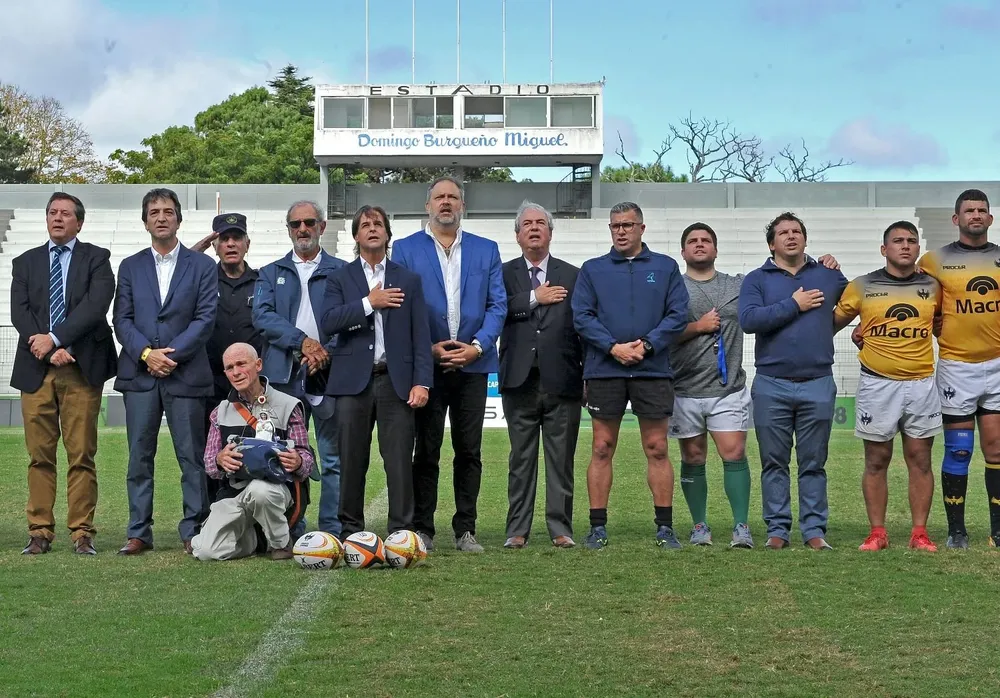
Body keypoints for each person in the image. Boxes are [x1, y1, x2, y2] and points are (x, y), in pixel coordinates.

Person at [391, 176, 507, 553]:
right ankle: (423, 527)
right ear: (428, 205)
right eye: (439, 197)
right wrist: (428, 348)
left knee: (469, 450)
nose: (446, 203)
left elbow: (497, 305)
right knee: (425, 450)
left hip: (473, 365)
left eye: (452, 197)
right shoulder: (406, 249)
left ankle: (465, 529)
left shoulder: (486, 250)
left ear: (462, 205)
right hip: (429, 366)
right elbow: (403, 307)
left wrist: (477, 347)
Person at [571, 201, 689, 550]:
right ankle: (597, 527)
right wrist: (613, 347)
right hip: (605, 369)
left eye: (627, 225)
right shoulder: (592, 270)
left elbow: (678, 314)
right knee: (602, 447)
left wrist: (648, 346)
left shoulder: (665, 268)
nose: (620, 231)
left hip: (652, 370)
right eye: (615, 226)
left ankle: (665, 528)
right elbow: (582, 316)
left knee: (656, 447)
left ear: (641, 228)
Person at [113, 187, 217, 555]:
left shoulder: (203, 265)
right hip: (140, 377)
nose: (161, 216)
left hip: (185, 374)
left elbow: (205, 319)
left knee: (191, 458)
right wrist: (146, 354)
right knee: (139, 457)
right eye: (154, 211)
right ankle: (139, 531)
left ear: (178, 219)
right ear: (145, 221)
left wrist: (169, 355)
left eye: (168, 211)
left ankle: (194, 529)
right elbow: (121, 319)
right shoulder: (130, 266)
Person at [12, 193, 117, 555]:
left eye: (65, 214)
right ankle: (39, 531)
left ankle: (82, 532)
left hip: (81, 368)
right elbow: (20, 313)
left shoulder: (97, 259)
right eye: (52, 213)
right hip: (36, 369)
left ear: (79, 222)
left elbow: (95, 307)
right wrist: (47, 346)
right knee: (39, 455)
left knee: (81, 454)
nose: (57, 218)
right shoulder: (24, 262)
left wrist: (57, 339)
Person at [321, 205, 433, 538]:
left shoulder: (408, 280)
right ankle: (350, 530)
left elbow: (420, 334)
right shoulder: (339, 278)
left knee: (399, 462)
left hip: (395, 382)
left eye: (378, 224)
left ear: (387, 233)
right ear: (356, 235)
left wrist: (422, 382)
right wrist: (370, 303)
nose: (372, 228)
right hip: (351, 383)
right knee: (351, 461)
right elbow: (328, 322)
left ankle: (401, 532)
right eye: (365, 224)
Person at [738, 211, 847, 550]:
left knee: (814, 463)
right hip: (772, 383)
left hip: (818, 381)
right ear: (772, 243)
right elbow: (749, 320)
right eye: (783, 232)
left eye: (796, 231)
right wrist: (793, 305)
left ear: (805, 239)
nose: (790, 236)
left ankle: (814, 531)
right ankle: (777, 530)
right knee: (774, 462)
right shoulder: (757, 279)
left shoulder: (828, 275)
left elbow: (862, 299)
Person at [834, 221, 941, 552]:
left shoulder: (934, 287)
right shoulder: (863, 285)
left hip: (922, 383)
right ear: (884, 249)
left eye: (911, 240)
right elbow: (829, 325)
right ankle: (877, 532)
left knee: (920, 459)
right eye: (897, 241)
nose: (905, 246)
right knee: (876, 460)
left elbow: (943, 328)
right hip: (878, 385)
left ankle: (919, 533)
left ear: (918, 248)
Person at [253, 201, 346, 538]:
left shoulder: (342, 270)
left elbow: (352, 321)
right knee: (286, 455)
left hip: (329, 374)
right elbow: (262, 318)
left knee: (332, 457)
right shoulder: (270, 272)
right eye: (296, 224)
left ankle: (332, 528)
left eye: (309, 222)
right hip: (282, 379)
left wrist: (325, 352)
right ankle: (293, 526)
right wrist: (303, 342)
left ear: (321, 226)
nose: (303, 229)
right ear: (288, 229)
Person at [914, 189, 1000, 548]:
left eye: (982, 210)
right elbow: (915, 303)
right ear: (956, 219)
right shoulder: (934, 260)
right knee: (959, 449)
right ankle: (956, 531)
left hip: (997, 365)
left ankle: (997, 531)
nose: (976, 215)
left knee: (996, 449)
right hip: (956, 366)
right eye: (969, 210)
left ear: (990, 219)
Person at [499, 201, 583, 549]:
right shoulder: (501, 274)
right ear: (517, 235)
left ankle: (560, 528)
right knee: (521, 459)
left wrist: (587, 376)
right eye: (527, 224)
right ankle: (517, 530)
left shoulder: (573, 274)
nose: (534, 228)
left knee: (561, 459)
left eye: (541, 223)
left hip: (562, 378)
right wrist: (535, 297)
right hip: (519, 380)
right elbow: (497, 311)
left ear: (550, 232)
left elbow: (584, 326)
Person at [668, 223, 754, 549]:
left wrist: (822, 262)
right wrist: (698, 327)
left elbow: (780, 276)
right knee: (693, 456)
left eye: (706, 240)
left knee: (734, 452)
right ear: (683, 251)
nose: (700, 244)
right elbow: (660, 333)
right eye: (692, 240)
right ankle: (699, 525)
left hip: (728, 388)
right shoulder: (673, 287)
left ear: (716, 250)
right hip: (685, 388)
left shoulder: (739, 285)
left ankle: (741, 526)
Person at [192, 343, 314, 561]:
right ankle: (257, 540)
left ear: (258, 365)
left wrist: (297, 461)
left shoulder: (288, 405)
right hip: (235, 493)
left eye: (241, 364)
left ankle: (281, 543)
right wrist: (220, 460)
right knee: (205, 552)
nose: (236, 372)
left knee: (260, 491)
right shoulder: (219, 412)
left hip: (276, 491)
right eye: (230, 368)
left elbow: (307, 461)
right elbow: (210, 466)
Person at [194, 213, 263, 502]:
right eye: (224, 239)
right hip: (211, 382)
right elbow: (176, 271)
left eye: (237, 238)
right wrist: (197, 250)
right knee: (210, 451)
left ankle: (255, 512)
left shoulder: (263, 281)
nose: (231, 244)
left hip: (251, 386)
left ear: (247, 243)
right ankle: (211, 515)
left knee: (255, 449)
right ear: (215, 245)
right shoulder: (201, 279)